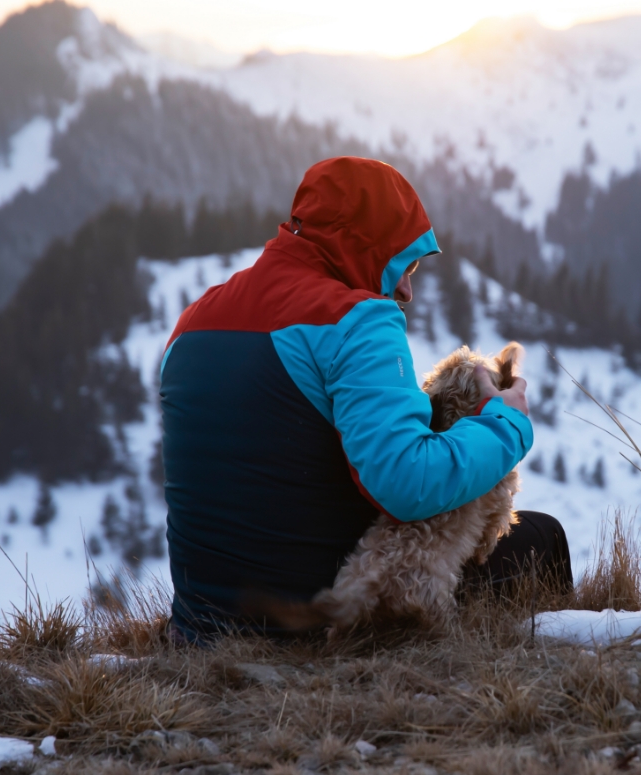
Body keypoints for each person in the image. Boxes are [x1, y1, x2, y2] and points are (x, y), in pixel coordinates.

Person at [159, 157, 571, 642]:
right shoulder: (354, 318)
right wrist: (506, 423)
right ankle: (549, 680)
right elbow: (406, 481)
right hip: (321, 622)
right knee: (541, 538)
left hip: (198, 628)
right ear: (362, 246)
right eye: (404, 264)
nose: (406, 289)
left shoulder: (192, 321)